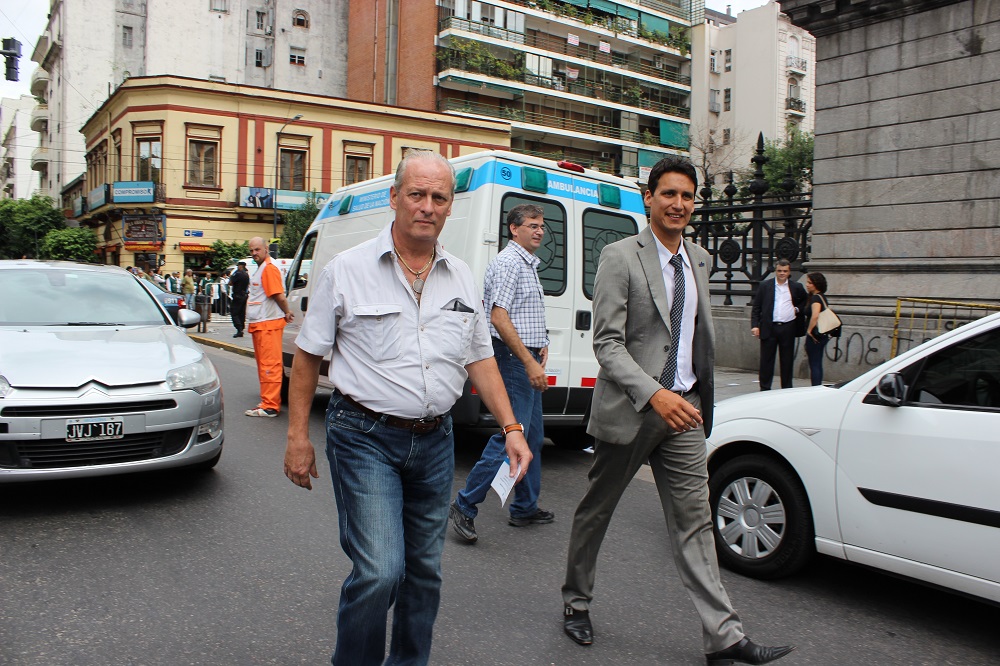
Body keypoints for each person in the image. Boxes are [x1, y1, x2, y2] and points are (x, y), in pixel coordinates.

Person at [282, 150, 533, 666]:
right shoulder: (346, 270)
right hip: (363, 435)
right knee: (378, 570)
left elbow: (480, 358)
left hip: (435, 442)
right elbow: (307, 356)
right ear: (395, 198)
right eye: (416, 194)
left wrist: (512, 427)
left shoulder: (462, 275)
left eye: (438, 197)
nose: (427, 206)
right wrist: (297, 437)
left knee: (424, 572)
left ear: (450, 208)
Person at [561, 156, 794, 666]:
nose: (679, 204)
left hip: (684, 410)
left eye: (687, 196)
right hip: (633, 408)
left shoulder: (701, 259)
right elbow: (607, 344)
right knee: (596, 512)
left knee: (695, 523)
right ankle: (576, 601)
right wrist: (654, 393)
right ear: (649, 198)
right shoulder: (620, 257)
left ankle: (724, 637)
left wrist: (685, 396)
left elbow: (692, 338)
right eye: (669, 194)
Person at [449, 203, 552, 543]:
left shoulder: (525, 264)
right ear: (514, 229)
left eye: (541, 226)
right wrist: (529, 360)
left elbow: (525, 314)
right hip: (512, 359)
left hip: (525, 356)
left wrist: (543, 344)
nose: (539, 230)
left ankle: (524, 506)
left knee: (532, 436)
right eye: (533, 225)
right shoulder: (510, 264)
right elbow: (499, 317)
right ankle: (464, 505)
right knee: (512, 435)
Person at [246, 237, 293, 417]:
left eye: (257, 249)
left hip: (267, 324)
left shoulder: (268, 268)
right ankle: (267, 402)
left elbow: (278, 295)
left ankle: (270, 406)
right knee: (266, 365)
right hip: (262, 324)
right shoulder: (264, 267)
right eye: (251, 251)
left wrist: (287, 312)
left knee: (269, 365)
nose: (254, 254)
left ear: (266, 248)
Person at [750, 259, 807, 390]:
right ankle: (764, 388)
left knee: (787, 360)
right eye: (779, 271)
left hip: (788, 327)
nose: (782, 273)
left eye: (785, 271)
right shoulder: (765, 286)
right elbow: (757, 307)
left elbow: (804, 301)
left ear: (789, 272)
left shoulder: (796, 287)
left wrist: (797, 309)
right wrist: (755, 325)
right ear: (775, 271)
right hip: (769, 327)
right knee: (766, 361)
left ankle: (786, 388)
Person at [804, 272, 830, 386]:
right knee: (817, 362)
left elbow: (815, 315)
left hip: (815, 335)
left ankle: (816, 387)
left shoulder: (815, 298)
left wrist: (809, 331)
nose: (807, 285)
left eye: (810, 283)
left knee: (814, 363)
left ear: (816, 284)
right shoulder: (821, 297)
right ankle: (817, 386)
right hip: (822, 335)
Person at [229, 262, 249, 337]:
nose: (237, 267)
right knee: (242, 312)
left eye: (238, 266)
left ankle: (239, 328)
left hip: (237, 295)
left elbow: (230, 283)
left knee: (234, 312)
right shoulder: (246, 274)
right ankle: (241, 328)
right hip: (244, 295)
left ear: (241, 266)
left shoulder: (237, 273)